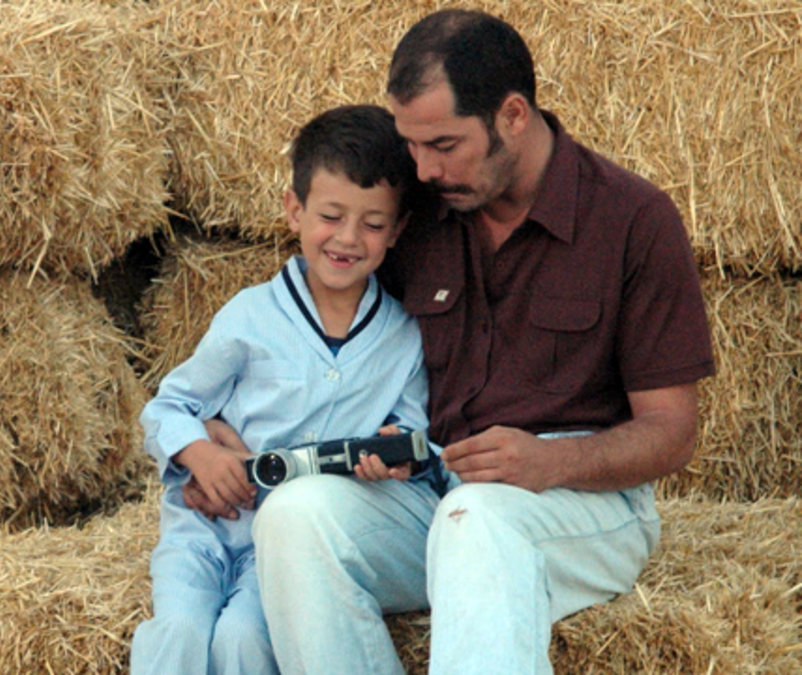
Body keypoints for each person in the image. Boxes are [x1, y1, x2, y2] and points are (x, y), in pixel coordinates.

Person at [188, 9, 715, 675]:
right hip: (431, 488)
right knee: (293, 516)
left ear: (513, 116)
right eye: (412, 145)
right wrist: (220, 433)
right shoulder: (413, 213)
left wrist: (550, 462)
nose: (424, 168)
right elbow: (319, 334)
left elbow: (672, 432)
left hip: (581, 506)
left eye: (443, 144)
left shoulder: (633, 220)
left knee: (480, 519)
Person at [130, 104, 435, 675]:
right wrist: (200, 454)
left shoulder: (403, 337)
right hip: (201, 530)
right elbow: (170, 405)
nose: (348, 238)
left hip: (282, 550)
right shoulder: (250, 316)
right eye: (330, 216)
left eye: (373, 224)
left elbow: (414, 433)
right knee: (178, 632)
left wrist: (395, 455)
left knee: (244, 638)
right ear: (294, 210)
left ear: (397, 230)